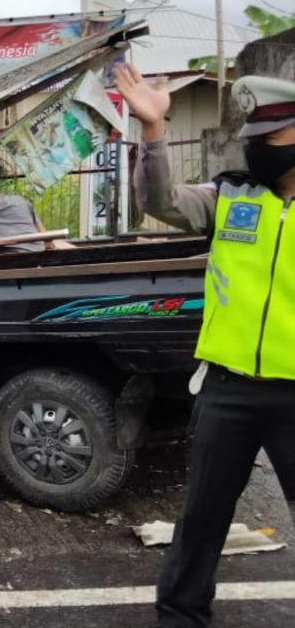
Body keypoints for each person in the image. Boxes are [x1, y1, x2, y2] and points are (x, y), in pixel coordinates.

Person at [114, 60, 295, 628]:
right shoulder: (231, 197)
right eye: (255, 140)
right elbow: (160, 201)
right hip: (226, 388)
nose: (259, 149)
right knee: (203, 515)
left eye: (272, 138)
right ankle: (182, 615)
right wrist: (153, 132)